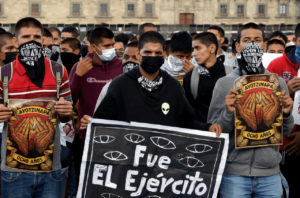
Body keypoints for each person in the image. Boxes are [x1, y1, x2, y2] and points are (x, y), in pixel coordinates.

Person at [208, 22, 294, 198]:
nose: (252, 45)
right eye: (247, 40)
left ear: (264, 45)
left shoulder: (278, 82)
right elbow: (214, 130)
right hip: (234, 175)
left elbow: (286, 131)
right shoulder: (224, 84)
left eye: (257, 40)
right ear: (238, 46)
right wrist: (229, 112)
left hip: (270, 175)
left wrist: (286, 114)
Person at [81, 31, 222, 135]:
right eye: (147, 53)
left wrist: (207, 128)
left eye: (157, 53)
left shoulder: (173, 86)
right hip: (128, 163)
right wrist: (91, 123)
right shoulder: (120, 85)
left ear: (164, 55)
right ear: (138, 55)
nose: (153, 57)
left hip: (160, 163)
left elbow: (186, 120)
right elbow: (103, 121)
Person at [0, 17, 73, 198]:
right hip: (14, 168)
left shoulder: (58, 71)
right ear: (16, 41)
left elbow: (68, 113)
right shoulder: (4, 74)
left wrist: (66, 111)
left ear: (43, 40)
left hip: (51, 167)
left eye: (36, 36)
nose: (31, 41)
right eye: (26, 37)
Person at [69, 26, 122, 181]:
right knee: (86, 182)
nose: (111, 49)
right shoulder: (79, 67)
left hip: (116, 136)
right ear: (92, 47)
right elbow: (69, 100)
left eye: (112, 45)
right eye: (106, 46)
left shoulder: (120, 65)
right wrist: (78, 76)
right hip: (88, 136)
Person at [267, 23, 300, 198]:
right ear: (295, 40)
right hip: (284, 146)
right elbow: (262, 106)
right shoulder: (276, 65)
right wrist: (286, 89)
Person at [183, 32, 226, 124]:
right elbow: (187, 111)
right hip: (203, 133)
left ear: (212, 48)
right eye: (193, 49)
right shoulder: (190, 77)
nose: (194, 54)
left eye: (198, 48)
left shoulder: (231, 73)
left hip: (229, 133)